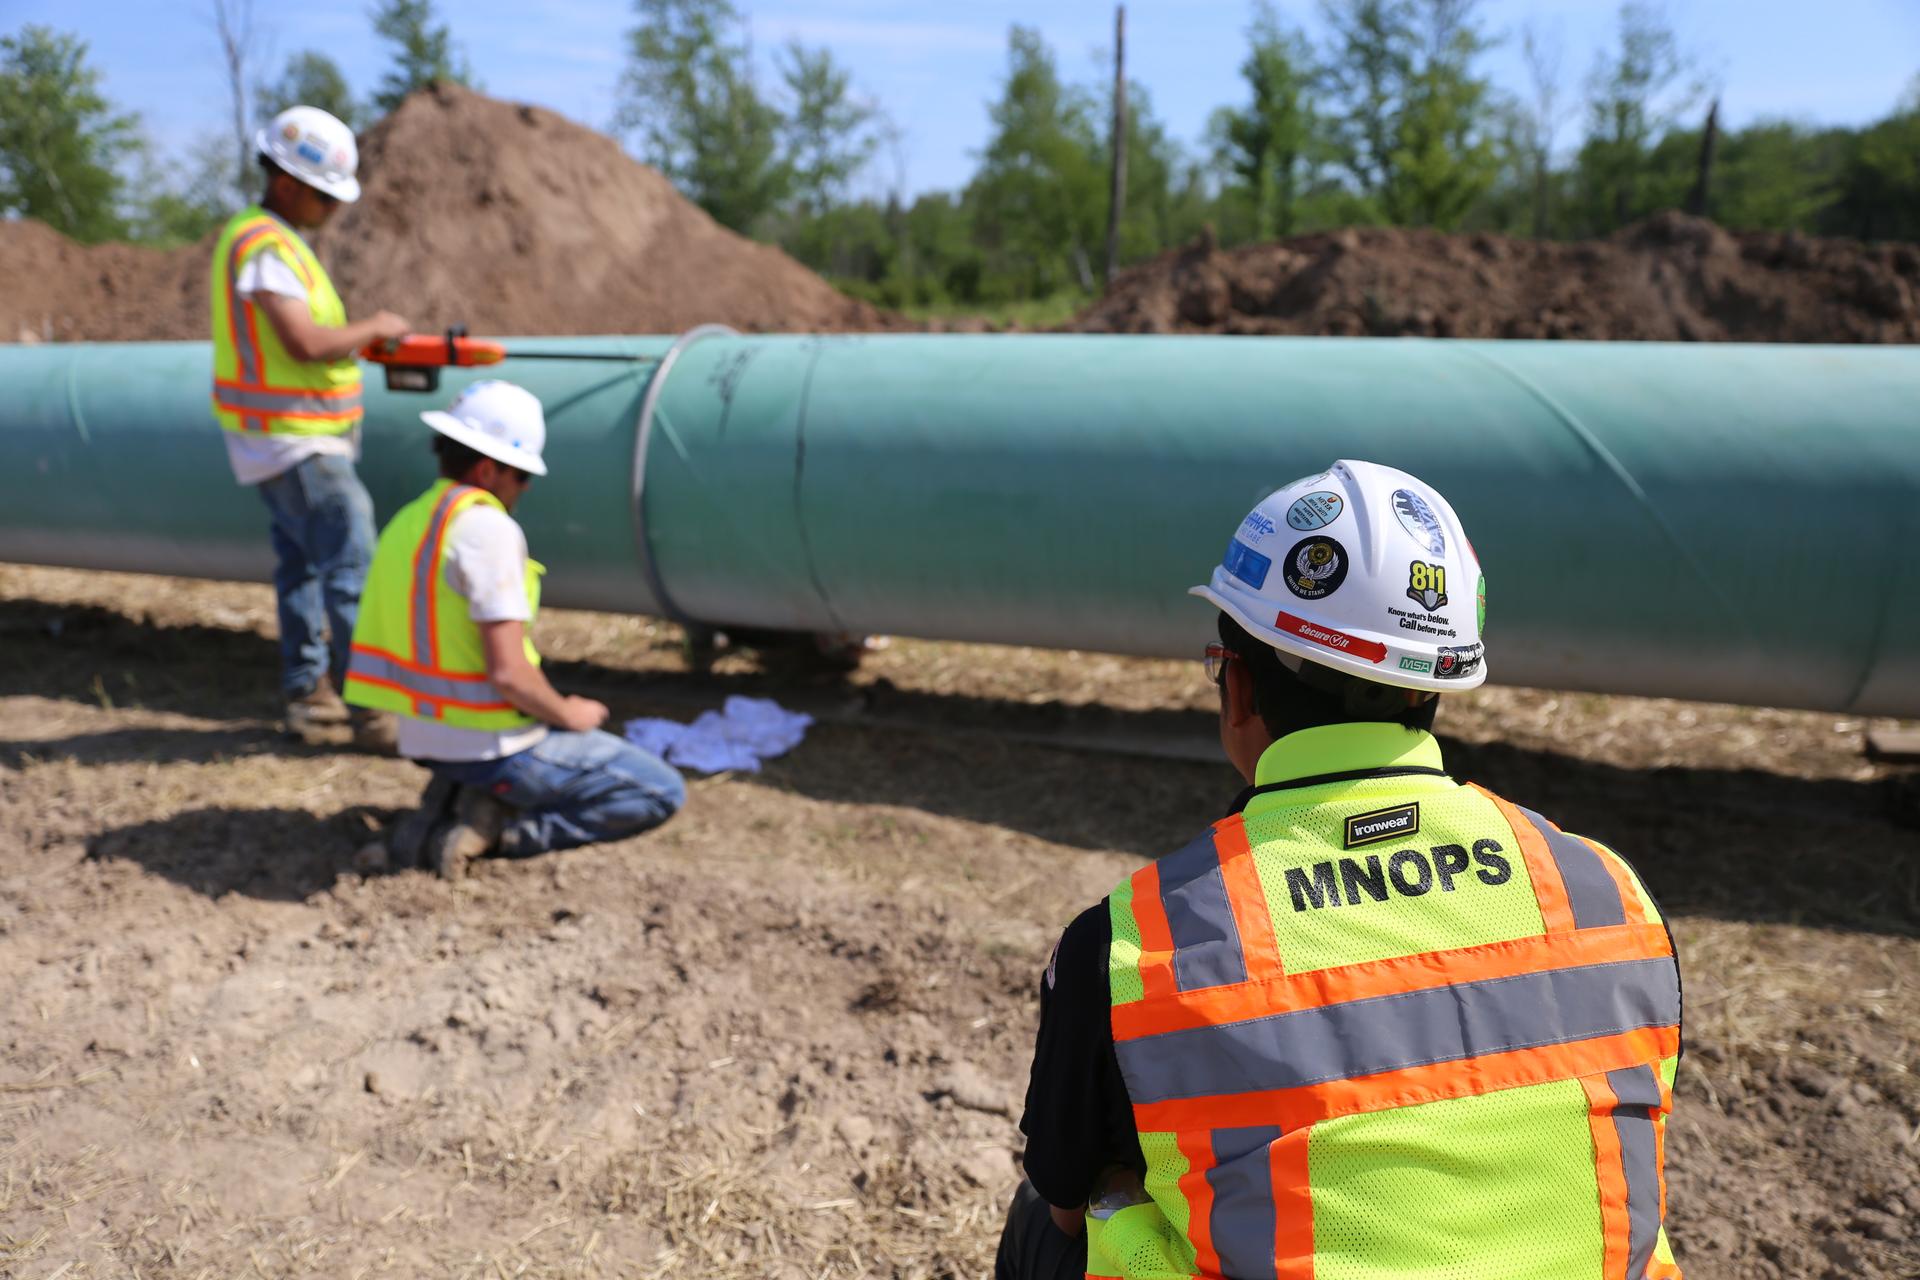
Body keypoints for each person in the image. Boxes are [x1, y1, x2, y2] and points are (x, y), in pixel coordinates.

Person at [1000, 460, 1683, 1280]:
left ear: (1239, 689)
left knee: (1051, 1214)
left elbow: (1068, 1195)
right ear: (1435, 686)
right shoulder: (1607, 894)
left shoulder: (1137, 942)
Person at [341, 380, 686, 878]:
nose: (523, 489)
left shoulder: (410, 521)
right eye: (522, 476)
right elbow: (507, 673)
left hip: (423, 734)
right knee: (658, 790)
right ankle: (506, 832)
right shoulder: (487, 529)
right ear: (489, 469)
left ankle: (458, 803)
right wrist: (569, 713)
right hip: (491, 743)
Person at [208, 104, 410, 749]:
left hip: (283, 439)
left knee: (300, 566)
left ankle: (310, 699)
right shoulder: (267, 246)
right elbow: (303, 342)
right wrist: (372, 330)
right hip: (297, 441)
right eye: (326, 196)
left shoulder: (272, 242)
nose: (334, 210)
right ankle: (371, 708)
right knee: (350, 567)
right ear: (289, 182)